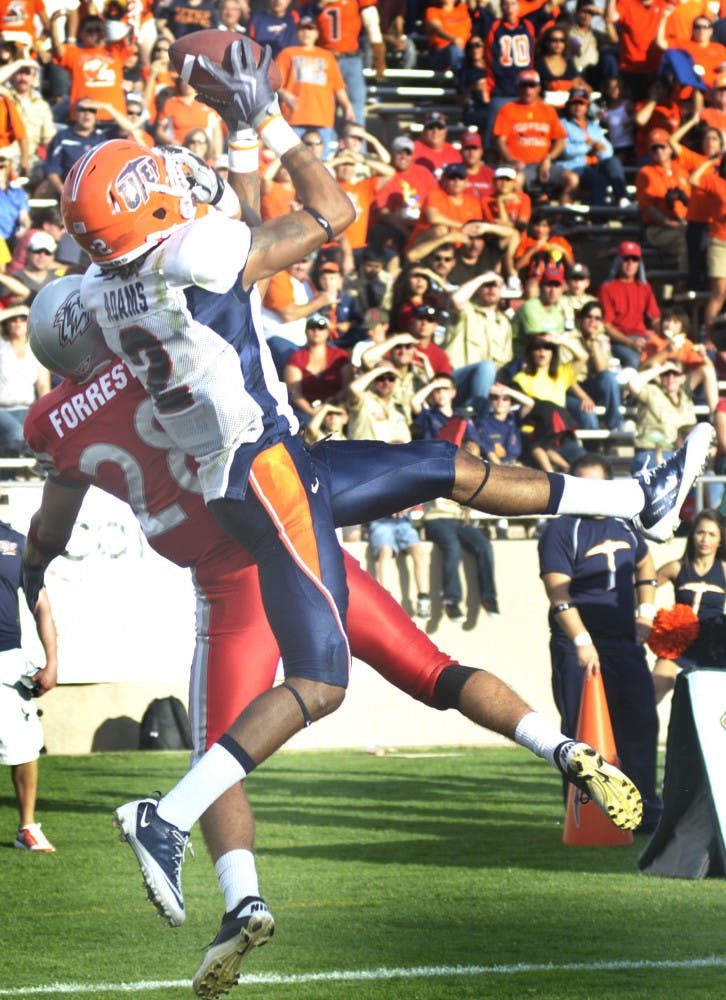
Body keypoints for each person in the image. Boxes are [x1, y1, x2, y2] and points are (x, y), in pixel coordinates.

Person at [25, 275, 650, 993]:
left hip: (233, 572)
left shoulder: (54, 422)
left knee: (222, 750)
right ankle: (562, 745)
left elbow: (53, 521)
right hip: (302, 532)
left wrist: (31, 569)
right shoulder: (148, 351)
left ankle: (240, 898)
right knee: (432, 668)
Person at [538, 452, 663, 832]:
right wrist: (581, 639)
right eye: (583, 485)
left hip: (624, 641)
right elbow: (558, 593)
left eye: (597, 484)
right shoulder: (561, 530)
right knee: (581, 731)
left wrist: (646, 612)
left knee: (640, 722)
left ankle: (643, 812)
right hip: (579, 645)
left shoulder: (626, 525)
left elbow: (645, 564)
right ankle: (589, 815)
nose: (591, 493)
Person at [0, 509, 57, 853]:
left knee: (23, 747)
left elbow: (42, 606)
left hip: (6, 659)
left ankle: (27, 828)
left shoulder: (17, 544)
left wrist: (52, 662)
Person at [652, 507, 726, 703]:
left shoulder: (724, 570)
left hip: (714, 645)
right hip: (679, 643)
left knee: (711, 704)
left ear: (720, 540)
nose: (705, 539)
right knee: (653, 690)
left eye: (712, 534)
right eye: (701, 532)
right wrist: (645, 615)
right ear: (693, 535)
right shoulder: (677, 568)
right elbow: (645, 586)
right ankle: (636, 734)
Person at [627, 358, 698, 473]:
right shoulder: (652, 391)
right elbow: (633, 384)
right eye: (666, 374)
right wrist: (661, 368)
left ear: (683, 378)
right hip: (650, 453)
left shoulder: (687, 400)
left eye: (675, 374)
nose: (671, 378)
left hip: (680, 455)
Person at [598, 241, 661, 371]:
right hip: (619, 341)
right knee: (634, 360)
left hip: (643, 338)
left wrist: (659, 335)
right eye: (626, 259)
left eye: (635, 259)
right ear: (618, 261)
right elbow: (606, 325)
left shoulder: (644, 288)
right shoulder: (607, 288)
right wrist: (631, 343)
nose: (630, 263)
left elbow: (655, 318)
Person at [0, 303, 49, 454]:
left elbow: (43, 387)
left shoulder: (36, 350)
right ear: (6, 323)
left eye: (23, 318)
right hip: (2, 411)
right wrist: (15, 310)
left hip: (27, 411)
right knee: (18, 434)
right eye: (13, 319)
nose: (18, 322)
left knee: (40, 432)